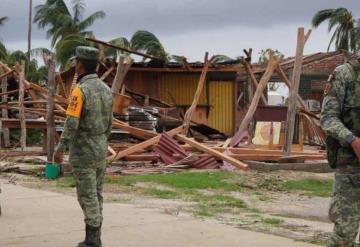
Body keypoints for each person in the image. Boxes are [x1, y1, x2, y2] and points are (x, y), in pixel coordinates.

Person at [54, 46, 113, 247]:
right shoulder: (107, 90)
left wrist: (60, 148)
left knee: (87, 196)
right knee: (96, 193)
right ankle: (95, 236)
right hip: (100, 147)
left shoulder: (80, 91)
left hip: (84, 151)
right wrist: (102, 142)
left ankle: (92, 241)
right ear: (95, 65)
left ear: (79, 65)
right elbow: (110, 123)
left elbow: (71, 123)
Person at [321, 51, 360, 247]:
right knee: (345, 233)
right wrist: (352, 140)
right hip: (351, 167)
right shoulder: (344, 75)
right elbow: (328, 118)